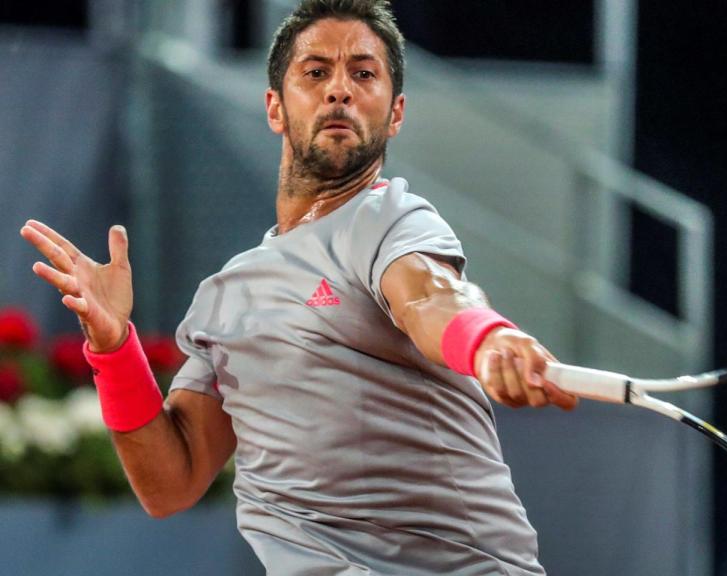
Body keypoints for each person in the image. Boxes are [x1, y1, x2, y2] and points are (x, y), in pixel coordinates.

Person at [19, 1, 577, 573]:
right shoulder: (226, 295)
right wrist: (114, 348)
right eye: (315, 72)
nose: (340, 90)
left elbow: (431, 295)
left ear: (395, 113)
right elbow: (170, 485)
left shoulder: (391, 220)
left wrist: (487, 340)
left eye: (364, 73)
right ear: (275, 107)